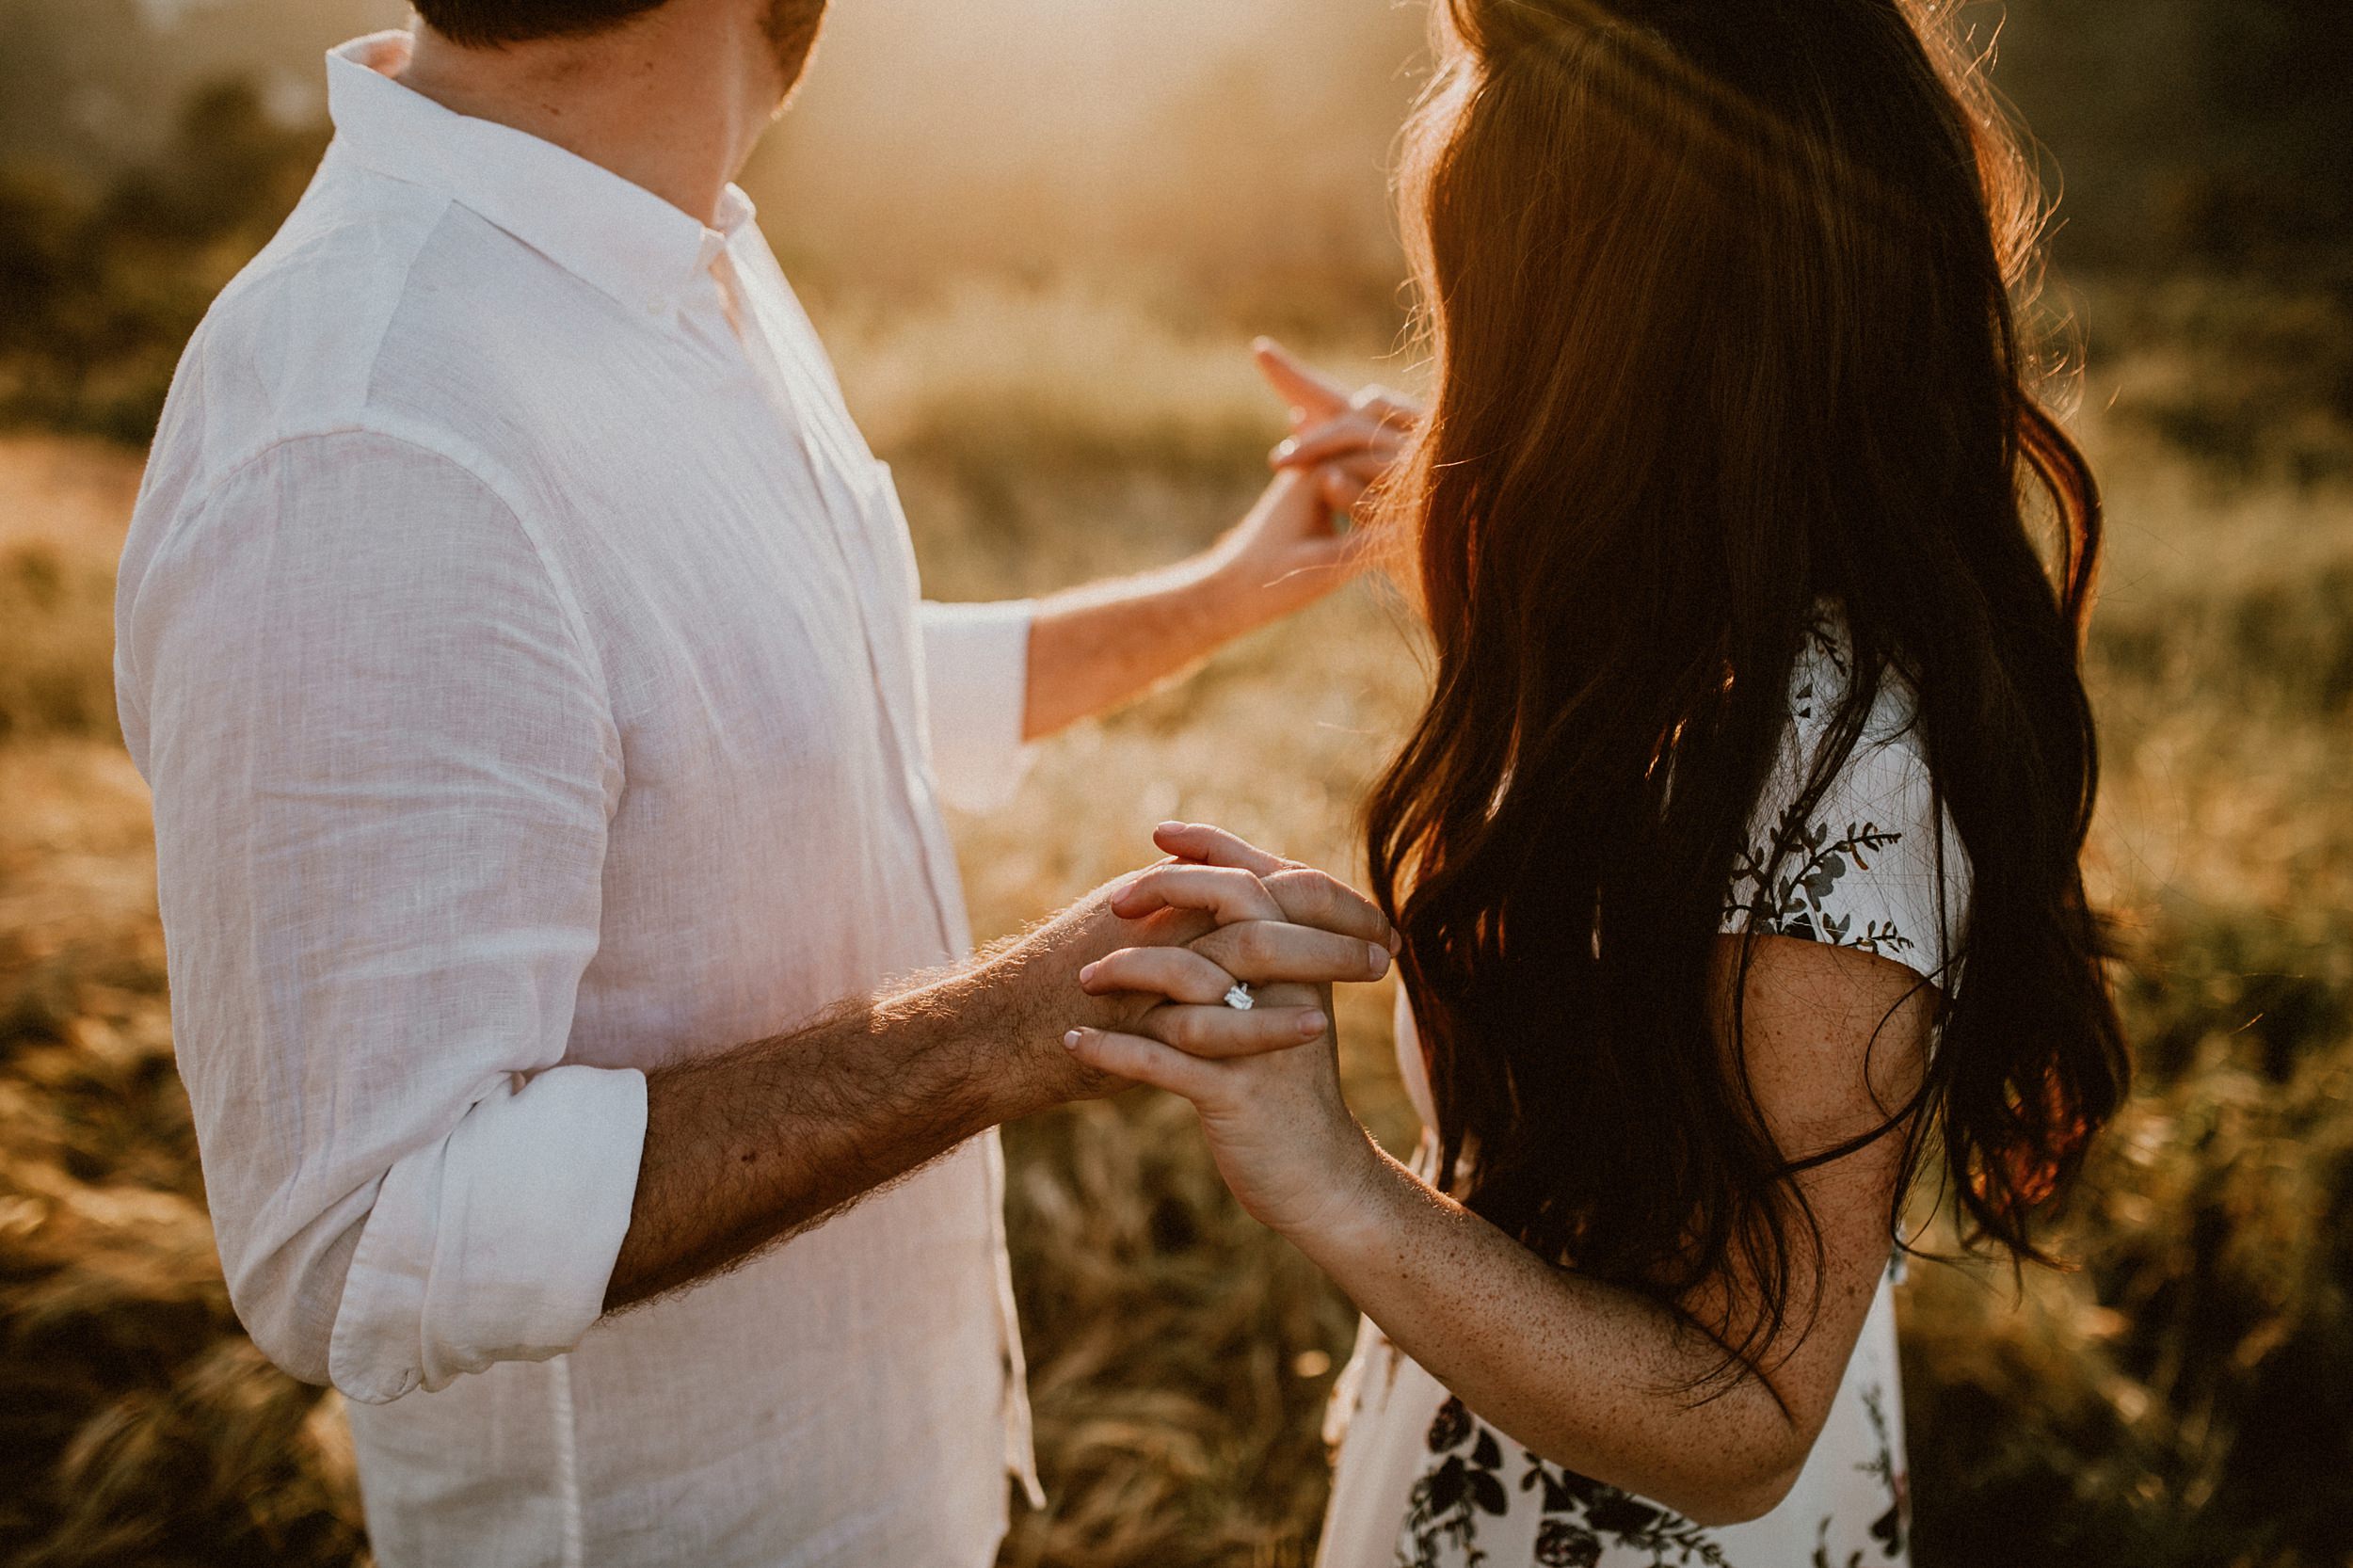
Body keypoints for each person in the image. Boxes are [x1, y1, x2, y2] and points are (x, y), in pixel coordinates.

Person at [111, 1, 1401, 1562]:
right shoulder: (366, 426)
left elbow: (796, 691)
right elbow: (368, 1235)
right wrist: (1003, 1030)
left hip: (886, 1477)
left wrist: (1224, 591)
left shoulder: (663, 244)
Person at [1065, 2, 2131, 1563]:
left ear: (1625, 339)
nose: (1474, 376)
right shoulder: (1680, 641)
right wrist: (1446, 504)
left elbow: (1746, 1418)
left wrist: (1334, 1178)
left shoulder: (1846, 773)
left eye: (1496, 315)